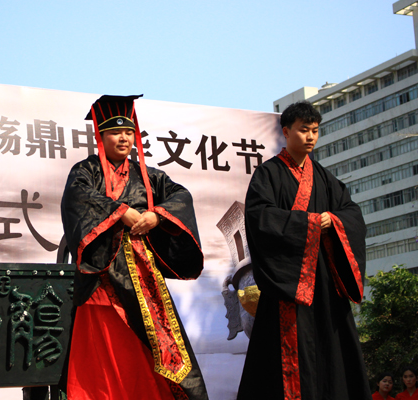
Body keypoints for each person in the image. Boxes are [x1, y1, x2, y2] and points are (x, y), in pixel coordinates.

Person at [60, 95, 208, 400]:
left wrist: (157, 215)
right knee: (105, 344)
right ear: (101, 136)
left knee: (151, 343)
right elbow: (77, 198)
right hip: (102, 275)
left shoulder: (147, 174)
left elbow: (181, 196)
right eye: (115, 132)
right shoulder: (86, 171)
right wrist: (120, 212)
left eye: (129, 132)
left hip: (142, 272)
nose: (124, 138)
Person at [237, 101, 371, 400]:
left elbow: (351, 213)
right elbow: (260, 217)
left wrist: (334, 220)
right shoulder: (268, 174)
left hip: (324, 282)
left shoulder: (325, 178)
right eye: (303, 130)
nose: (310, 137)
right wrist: (309, 223)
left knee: (331, 350)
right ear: (286, 132)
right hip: (289, 284)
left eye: (315, 131)